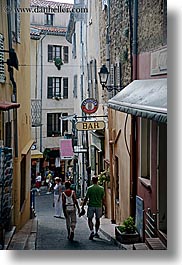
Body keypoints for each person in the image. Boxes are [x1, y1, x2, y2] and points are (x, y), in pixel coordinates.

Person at [81, 175, 105, 240]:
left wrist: (82, 206)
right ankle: (96, 232)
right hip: (98, 206)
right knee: (98, 219)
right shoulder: (101, 189)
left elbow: (86, 198)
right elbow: (103, 199)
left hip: (91, 205)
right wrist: (103, 206)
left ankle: (91, 231)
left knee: (89, 219)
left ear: (92, 181)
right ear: (97, 181)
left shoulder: (89, 188)